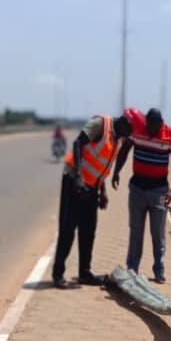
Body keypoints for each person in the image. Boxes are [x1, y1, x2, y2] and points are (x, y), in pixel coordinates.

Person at [51, 113, 133, 288]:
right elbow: (77, 143)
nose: (129, 136)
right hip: (74, 179)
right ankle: (58, 274)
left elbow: (102, 165)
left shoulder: (118, 138)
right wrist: (79, 177)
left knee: (88, 230)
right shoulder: (100, 124)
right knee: (68, 228)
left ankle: (84, 273)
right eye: (129, 131)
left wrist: (102, 191)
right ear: (123, 122)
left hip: (92, 186)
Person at [111, 107, 171, 284]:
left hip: (159, 190)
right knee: (136, 231)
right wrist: (116, 172)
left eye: (154, 126)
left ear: (161, 123)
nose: (150, 129)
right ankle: (132, 269)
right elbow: (124, 150)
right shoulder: (137, 129)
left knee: (158, 233)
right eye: (148, 125)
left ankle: (159, 270)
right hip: (137, 189)